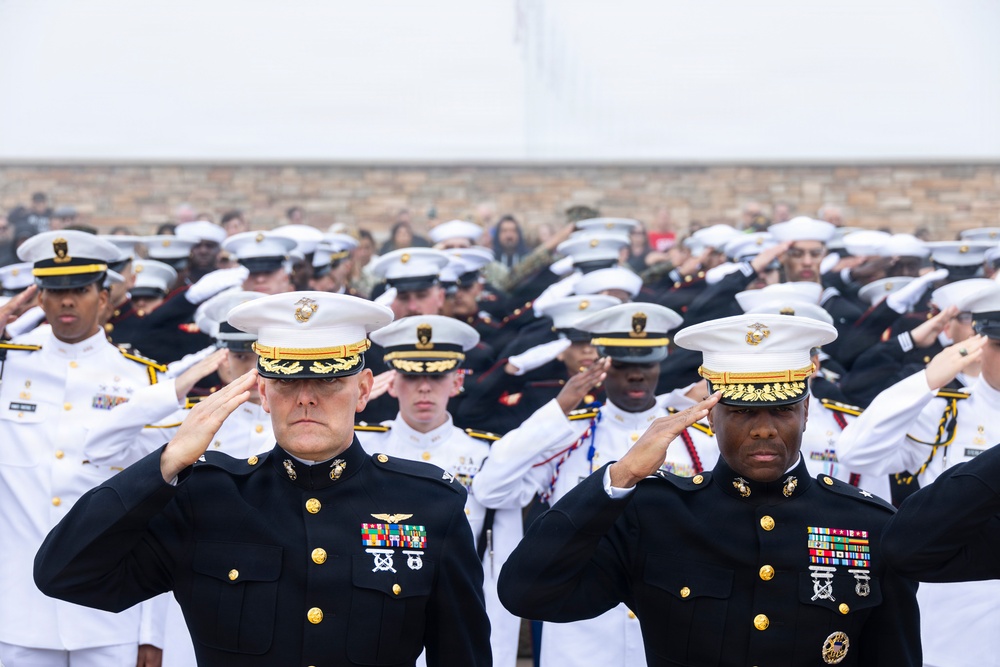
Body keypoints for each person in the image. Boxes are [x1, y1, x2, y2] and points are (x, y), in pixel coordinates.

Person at [34, 291, 492, 667]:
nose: (307, 399)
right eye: (288, 382)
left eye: (330, 381)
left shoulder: (429, 504)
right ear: (263, 391)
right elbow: (64, 574)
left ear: (365, 389)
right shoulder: (206, 498)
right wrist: (166, 463)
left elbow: (463, 656)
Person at [497, 312, 921, 667]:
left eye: (783, 410)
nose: (763, 430)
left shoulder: (867, 525)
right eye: (741, 412)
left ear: (806, 411)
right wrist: (620, 476)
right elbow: (528, 593)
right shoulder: (655, 515)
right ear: (709, 417)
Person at [474, 302, 718, 667]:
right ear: (602, 366)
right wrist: (558, 409)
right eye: (622, 366)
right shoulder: (568, 432)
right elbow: (492, 488)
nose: (636, 377)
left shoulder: (696, 438)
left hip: (670, 620)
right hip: (582, 632)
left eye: (646, 365)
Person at [0, 230, 166, 667]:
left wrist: (152, 629)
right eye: (55, 291)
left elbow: (157, 504)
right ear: (39, 299)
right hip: (18, 613)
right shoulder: (9, 366)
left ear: (105, 296)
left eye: (79, 290)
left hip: (107, 613)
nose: (67, 302)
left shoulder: (141, 380)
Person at [835, 283, 1000, 667]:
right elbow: (856, 452)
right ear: (982, 344)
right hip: (957, 623)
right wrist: (927, 381)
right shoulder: (948, 413)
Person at [356, 314, 521, 667]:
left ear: (457, 380)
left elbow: (498, 565)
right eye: (412, 376)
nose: (425, 387)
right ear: (393, 382)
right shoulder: (361, 449)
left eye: (437, 375)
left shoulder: (488, 456)